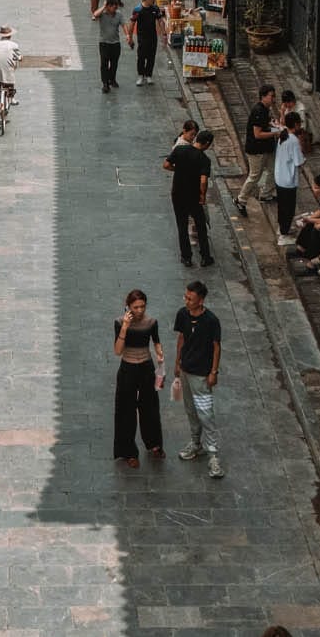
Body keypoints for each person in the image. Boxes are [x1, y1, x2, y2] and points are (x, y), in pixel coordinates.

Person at [174, 280, 223, 476]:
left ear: (201, 300)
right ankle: (195, 443)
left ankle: (213, 455)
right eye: (186, 297)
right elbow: (182, 338)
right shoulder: (182, 314)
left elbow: (216, 346)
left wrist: (213, 372)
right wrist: (177, 362)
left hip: (202, 374)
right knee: (191, 410)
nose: (186, 301)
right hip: (186, 371)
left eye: (190, 298)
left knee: (205, 413)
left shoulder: (211, 320)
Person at [113, 289, 165, 467]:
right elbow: (118, 351)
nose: (139, 310)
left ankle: (154, 444)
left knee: (150, 407)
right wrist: (125, 327)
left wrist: (160, 355)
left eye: (142, 306)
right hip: (127, 367)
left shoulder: (151, 322)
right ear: (128, 306)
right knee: (125, 410)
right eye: (136, 307)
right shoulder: (119, 322)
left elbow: (156, 341)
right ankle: (128, 452)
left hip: (146, 367)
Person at [164, 124, 214, 268]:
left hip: (178, 194)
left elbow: (166, 165)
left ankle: (186, 257)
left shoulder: (180, 150)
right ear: (206, 144)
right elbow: (203, 180)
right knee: (200, 225)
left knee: (182, 225)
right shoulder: (204, 160)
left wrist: (178, 170)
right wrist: (203, 196)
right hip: (193, 197)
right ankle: (205, 257)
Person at [235, 85, 279, 215]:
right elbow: (258, 134)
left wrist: (273, 125)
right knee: (255, 176)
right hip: (257, 150)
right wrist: (275, 132)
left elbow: (266, 125)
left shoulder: (265, 109)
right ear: (264, 96)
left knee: (273, 169)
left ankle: (266, 193)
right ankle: (241, 199)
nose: (274, 99)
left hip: (266, 148)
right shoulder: (258, 111)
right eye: (272, 96)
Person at [274, 112, 306, 245]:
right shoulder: (293, 140)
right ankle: (284, 234)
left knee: (282, 206)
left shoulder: (283, 135)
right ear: (296, 124)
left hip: (279, 176)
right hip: (288, 180)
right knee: (288, 208)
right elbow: (299, 162)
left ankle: (282, 228)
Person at [128, 0, 167, 85]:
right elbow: (132, 24)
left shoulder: (155, 9)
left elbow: (160, 21)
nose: (153, 0)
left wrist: (164, 34)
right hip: (142, 37)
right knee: (141, 56)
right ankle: (141, 75)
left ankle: (149, 75)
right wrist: (130, 37)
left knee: (151, 56)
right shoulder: (138, 10)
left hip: (153, 36)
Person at [92, 0, 125, 93]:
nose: (115, 9)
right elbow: (95, 14)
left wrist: (127, 35)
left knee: (114, 63)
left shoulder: (119, 14)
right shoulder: (102, 14)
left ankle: (112, 79)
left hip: (115, 43)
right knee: (104, 64)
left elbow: (124, 25)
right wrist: (103, 6)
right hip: (104, 43)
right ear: (108, 6)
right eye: (113, 7)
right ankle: (105, 83)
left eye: (116, 7)